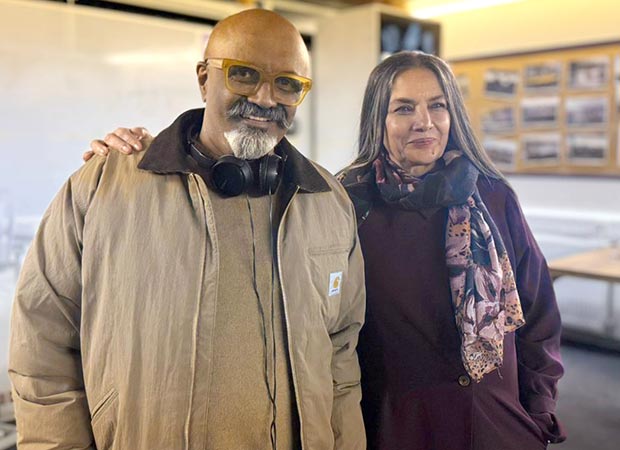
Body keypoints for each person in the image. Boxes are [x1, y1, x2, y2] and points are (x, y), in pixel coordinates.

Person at [87, 51, 567, 449]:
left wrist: (538, 412)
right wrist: (139, 153)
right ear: (378, 119)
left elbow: (539, 314)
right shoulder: (341, 201)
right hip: (394, 427)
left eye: (437, 106)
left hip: (497, 425)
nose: (424, 122)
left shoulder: (492, 197)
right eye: (403, 108)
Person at [9, 9, 366, 450]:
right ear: (203, 79)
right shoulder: (103, 187)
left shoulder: (328, 202)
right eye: (244, 74)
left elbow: (341, 358)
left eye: (288, 83)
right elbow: (41, 350)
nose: (266, 97)